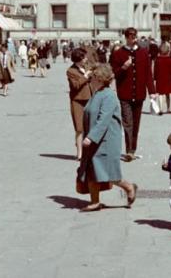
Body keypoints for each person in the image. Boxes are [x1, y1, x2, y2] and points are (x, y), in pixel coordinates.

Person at [77, 63, 138, 212]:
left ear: (99, 79)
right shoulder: (97, 93)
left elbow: (103, 120)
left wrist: (91, 137)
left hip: (106, 140)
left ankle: (129, 187)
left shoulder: (109, 95)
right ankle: (95, 201)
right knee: (92, 170)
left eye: (93, 77)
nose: (90, 79)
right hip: (95, 139)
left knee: (107, 172)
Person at [110, 27, 156, 161]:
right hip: (125, 93)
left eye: (135, 36)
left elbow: (148, 74)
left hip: (140, 93)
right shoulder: (118, 54)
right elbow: (113, 73)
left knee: (136, 122)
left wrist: (152, 92)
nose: (133, 39)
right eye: (130, 36)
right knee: (128, 122)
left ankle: (133, 148)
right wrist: (123, 67)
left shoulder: (143, 53)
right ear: (126, 37)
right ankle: (129, 150)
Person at [67, 49, 93, 160]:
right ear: (79, 59)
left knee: (90, 126)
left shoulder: (88, 67)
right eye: (84, 57)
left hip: (90, 99)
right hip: (77, 101)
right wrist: (86, 76)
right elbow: (75, 86)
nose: (86, 59)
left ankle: (90, 152)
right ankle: (79, 153)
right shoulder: (71, 71)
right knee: (79, 128)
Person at [154, 42, 171, 115]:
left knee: (160, 93)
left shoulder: (157, 60)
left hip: (160, 78)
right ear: (168, 51)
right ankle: (168, 109)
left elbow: (155, 70)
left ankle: (161, 109)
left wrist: (155, 77)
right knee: (167, 94)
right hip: (169, 79)